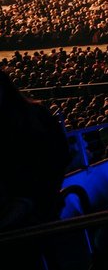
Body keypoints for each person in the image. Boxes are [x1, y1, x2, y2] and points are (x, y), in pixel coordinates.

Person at [0, 69, 70, 230]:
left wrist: (30, 201)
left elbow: (59, 157)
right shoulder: (36, 114)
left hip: (36, 212)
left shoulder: (34, 117)